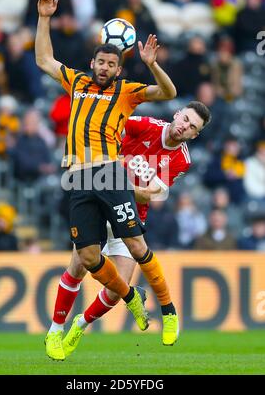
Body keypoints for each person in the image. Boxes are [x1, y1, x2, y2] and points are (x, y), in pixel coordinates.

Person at [35, 0, 178, 357]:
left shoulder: (127, 93)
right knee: (85, 257)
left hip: (111, 174)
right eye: (99, 63)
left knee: (135, 245)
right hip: (79, 177)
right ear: (93, 62)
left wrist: (151, 64)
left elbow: (168, 91)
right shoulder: (77, 83)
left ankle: (168, 311)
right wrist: (45, 18)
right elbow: (44, 60)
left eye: (110, 65)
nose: (103, 68)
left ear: (118, 69)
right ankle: (127, 297)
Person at [46, 102, 211, 360]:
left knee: (116, 290)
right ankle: (55, 329)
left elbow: (147, 196)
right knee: (78, 268)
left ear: (194, 135)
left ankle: (80, 325)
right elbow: (108, 132)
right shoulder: (144, 125)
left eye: (192, 127)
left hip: (129, 216)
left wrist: (112, 182)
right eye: (185, 119)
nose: (184, 127)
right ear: (177, 114)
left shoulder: (181, 160)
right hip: (100, 207)